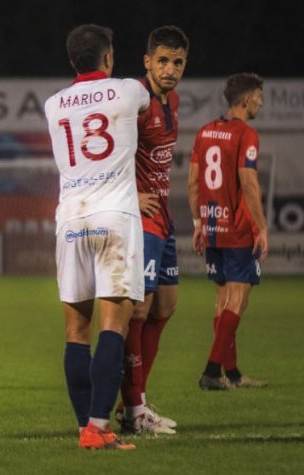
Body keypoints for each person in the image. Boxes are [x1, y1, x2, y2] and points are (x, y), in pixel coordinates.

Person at [44, 24, 149, 450]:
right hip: (115, 216)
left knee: (76, 331)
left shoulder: (53, 104)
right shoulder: (128, 90)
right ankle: (98, 428)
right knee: (114, 326)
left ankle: (83, 426)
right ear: (108, 57)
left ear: (73, 60)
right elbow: (149, 103)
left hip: (70, 219)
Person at [117, 26, 189, 435]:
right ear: (147, 62)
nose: (170, 69)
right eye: (162, 61)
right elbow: (113, 151)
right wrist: (131, 194)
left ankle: (136, 399)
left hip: (164, 216)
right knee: (139, 312)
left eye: (177, 62)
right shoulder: (138, 103)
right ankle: (134, 408)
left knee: (165, 307)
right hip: (141, 219)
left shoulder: (172, 101)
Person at [189, 73, 269, 391]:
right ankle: (212, 371)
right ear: (246, 99)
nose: (261, 102)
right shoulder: (246, 134)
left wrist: (198, 224)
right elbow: (248, 183)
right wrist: (261, 227)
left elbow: (193, 183)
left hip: (212, 226)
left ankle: (232, 374)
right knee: (239, 298)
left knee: (223, 298)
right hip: (237, 229)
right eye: (259, 96)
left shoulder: (205, 131)